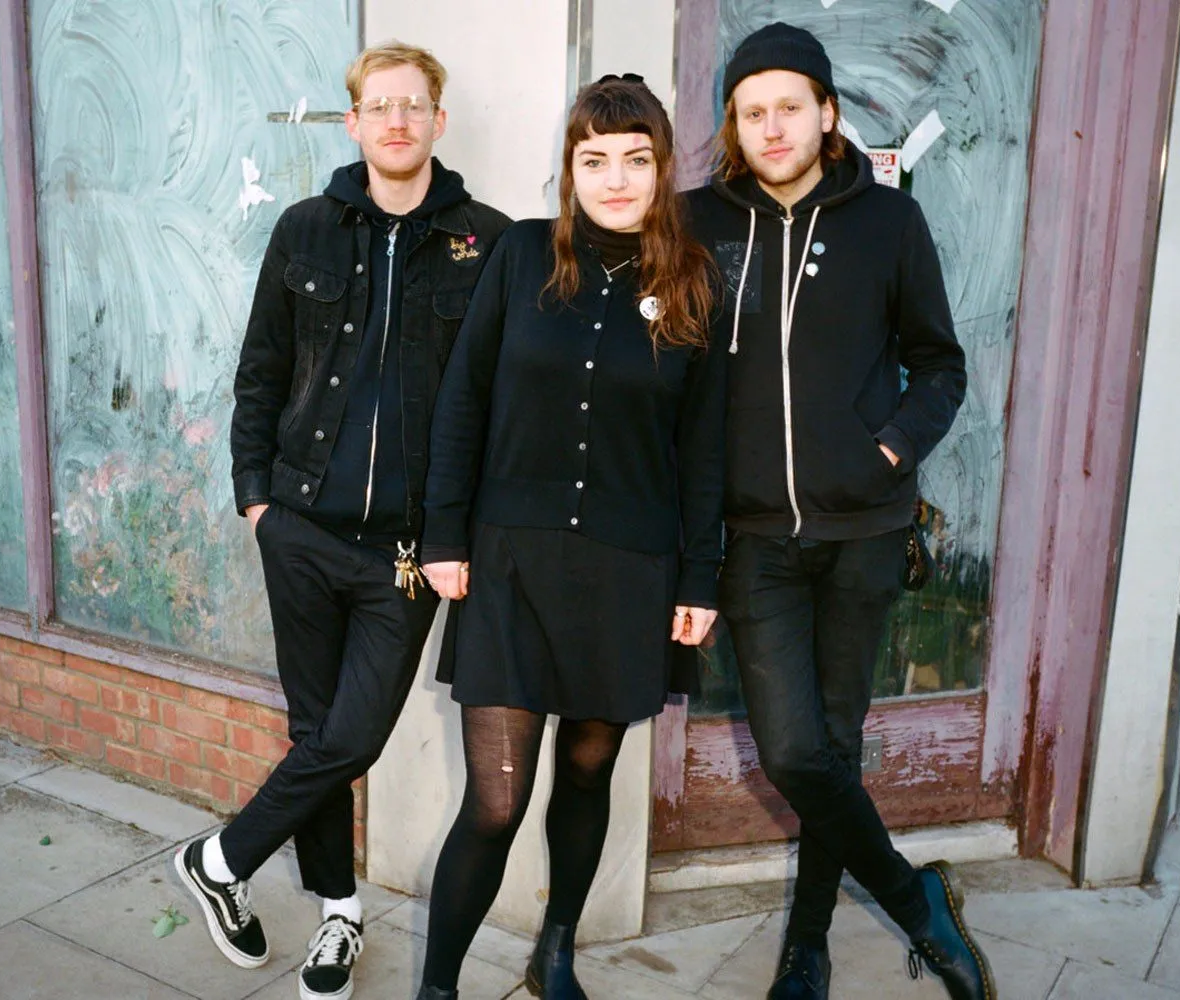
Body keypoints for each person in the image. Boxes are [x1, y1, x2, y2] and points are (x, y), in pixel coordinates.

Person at [176, 41, 509, 1000]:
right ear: (354, 121)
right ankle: (340, 917)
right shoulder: (305, 229)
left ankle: (219, 860)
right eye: (379, 105)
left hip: (405, 553)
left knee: (349, 739)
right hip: (300, 528)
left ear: (438, 121)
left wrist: (457, 535)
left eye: (415, 105)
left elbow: (492, 403)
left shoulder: (488, 241)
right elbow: (261, 371)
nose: (398, 120)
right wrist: (257, 500)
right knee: (315, 731)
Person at [684, 23, 989, 1000]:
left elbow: (939, 364)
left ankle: (806, 947)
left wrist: (887, 448)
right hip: (755, 541)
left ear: (827, 112)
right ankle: (913, 898)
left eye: (789, 106)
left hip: (864, 533)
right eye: (752, 111)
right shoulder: (698, 225)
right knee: (793, 750)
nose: (772, 127)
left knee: (834, 743)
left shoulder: (888, 223)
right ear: (734, 125)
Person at [412, 74, 725, 1000]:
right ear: (570, 168)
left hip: (629, 572)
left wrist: (700, 579)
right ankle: (437, 988)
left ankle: (555, 952)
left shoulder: (693, 280)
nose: (615, 180)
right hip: (511, 564)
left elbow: (703, 448)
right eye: (595, 161)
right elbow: (462, 400)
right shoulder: (519, 255)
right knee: (496, 800)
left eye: (635, 160)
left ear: (661, 169)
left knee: (589, 776)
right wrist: (442, 535)